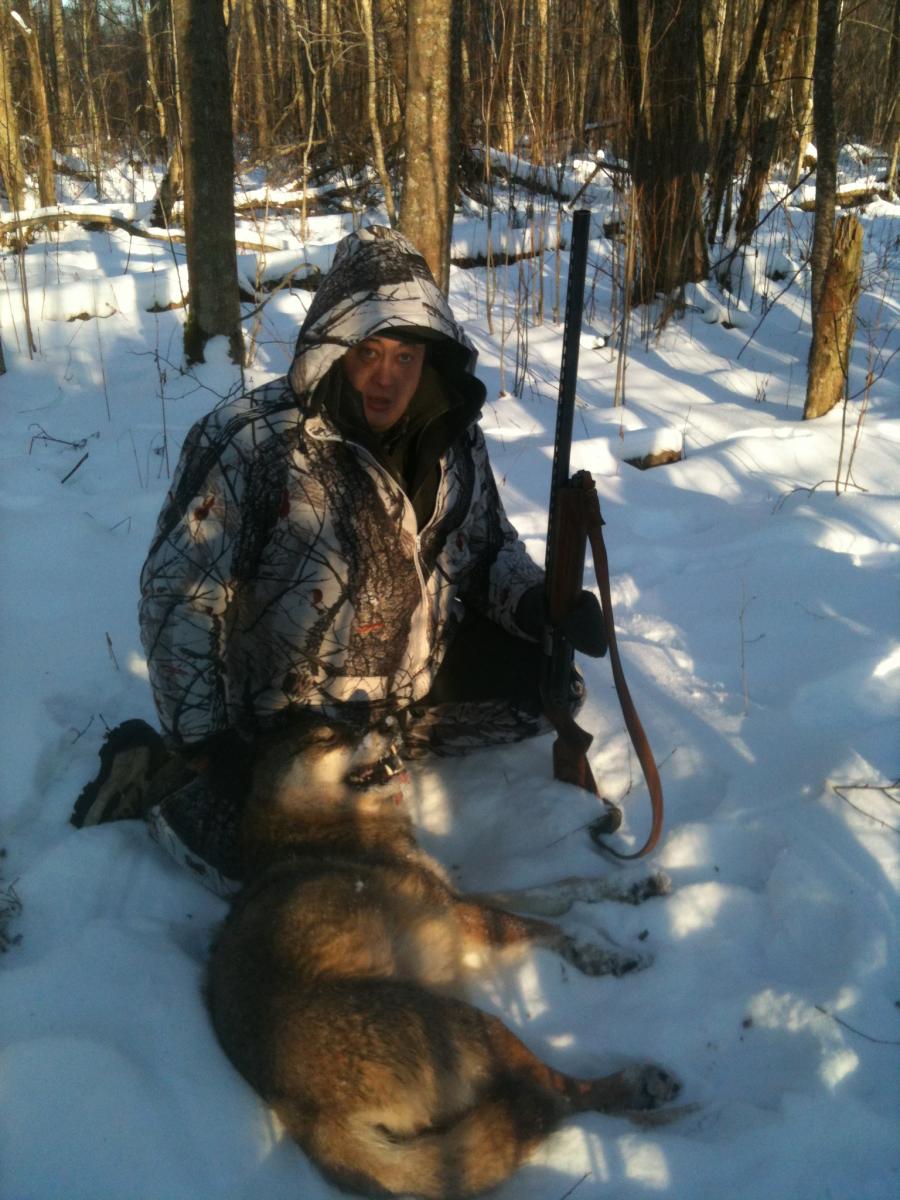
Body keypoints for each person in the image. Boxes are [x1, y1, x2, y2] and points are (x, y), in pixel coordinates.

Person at [135, 226, 606, 893]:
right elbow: (177, 598)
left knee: (551, 688)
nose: (387, 378)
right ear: (334, 348)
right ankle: (178, 789)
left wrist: (536, 603)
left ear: (430, 356)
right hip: (293, 715)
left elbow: (487, 550)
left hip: (407, 678)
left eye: (406, 355)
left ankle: (381, 749)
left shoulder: (454, 439)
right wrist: (210, 745)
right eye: (368, 351)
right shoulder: (251, 441)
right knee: (302, 877)